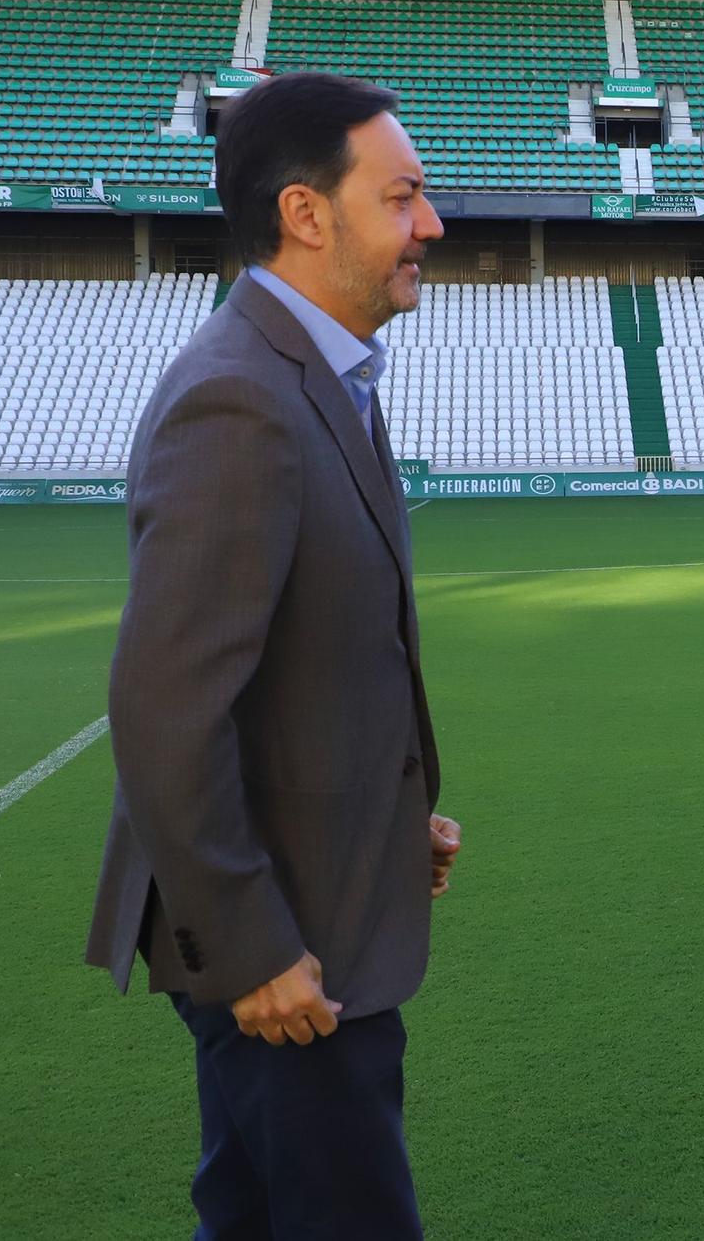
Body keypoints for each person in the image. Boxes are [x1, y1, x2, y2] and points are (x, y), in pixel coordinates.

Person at [84, 70, 459, 1239]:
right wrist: (249, 953)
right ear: (306, 214)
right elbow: (166, 711)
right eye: (402, 197)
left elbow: (309, 662)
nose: (432, 225)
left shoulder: (314, 377)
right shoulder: (241, 399)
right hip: (283, 954)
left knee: (250, 1219)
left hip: (323, 899)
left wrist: (392, 816)